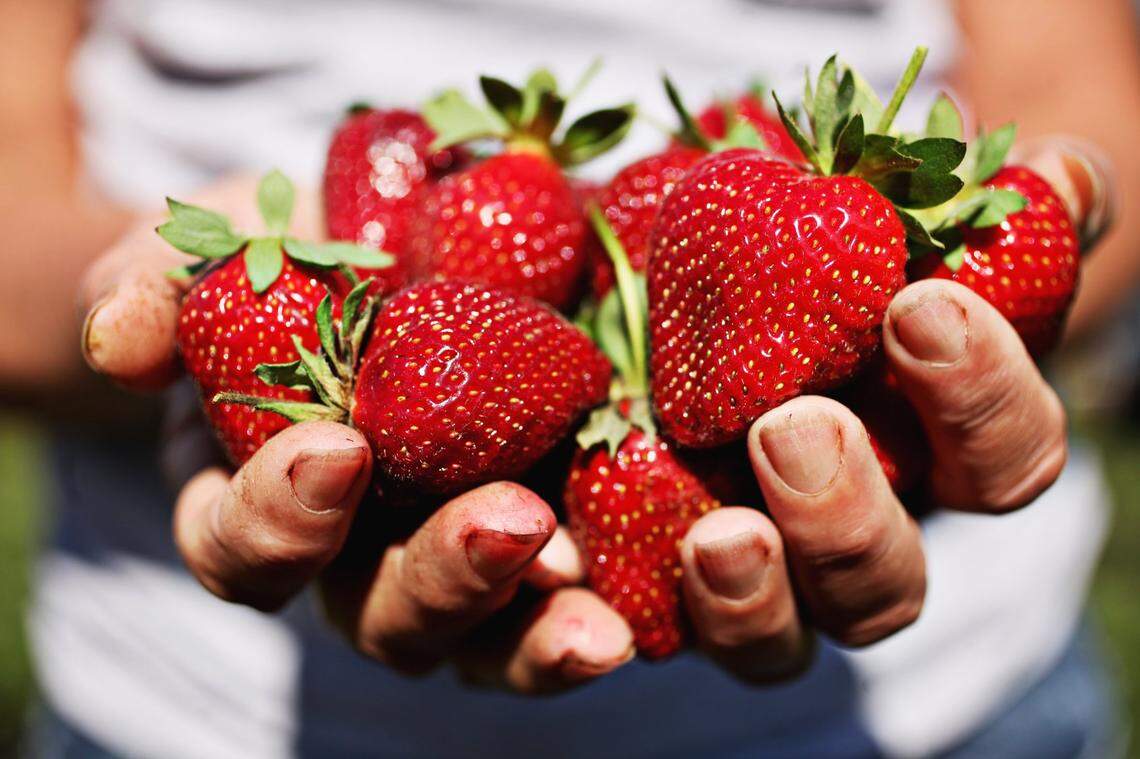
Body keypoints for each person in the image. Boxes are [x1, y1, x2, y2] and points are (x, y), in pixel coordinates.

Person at [2, 0, 1135, 756]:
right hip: (188, 710)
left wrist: (1038, 239)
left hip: (963, 699)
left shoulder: (738, 209)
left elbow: (1082, 88)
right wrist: (181, 320)